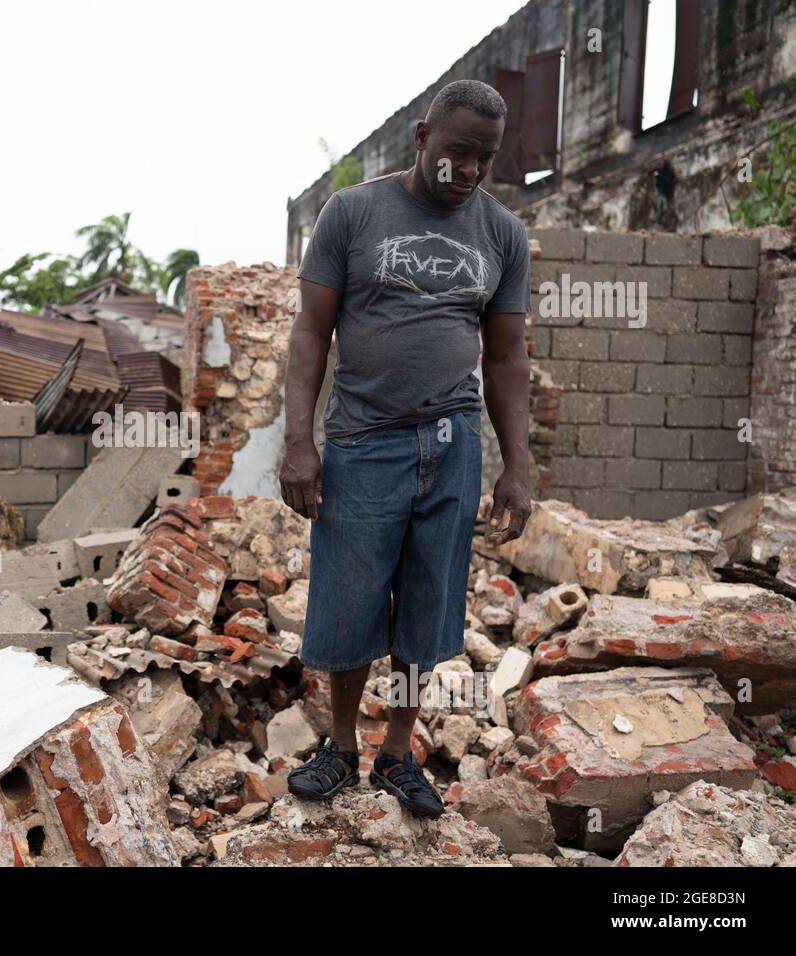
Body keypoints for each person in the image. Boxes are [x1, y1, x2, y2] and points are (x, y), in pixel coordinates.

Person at [279, 79, 532, 817]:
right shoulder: (353, 213)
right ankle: (341, 751)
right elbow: (309, 334)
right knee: (350, 600)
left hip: (452, 445)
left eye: (485, 157)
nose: (470, 169)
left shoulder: (501, 235)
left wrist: (517, 463)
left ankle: (396, 752)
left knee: (428, 604)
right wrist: (300, 442)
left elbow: (508, 356)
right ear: (422, 138)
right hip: (362, 440)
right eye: (457, 151)